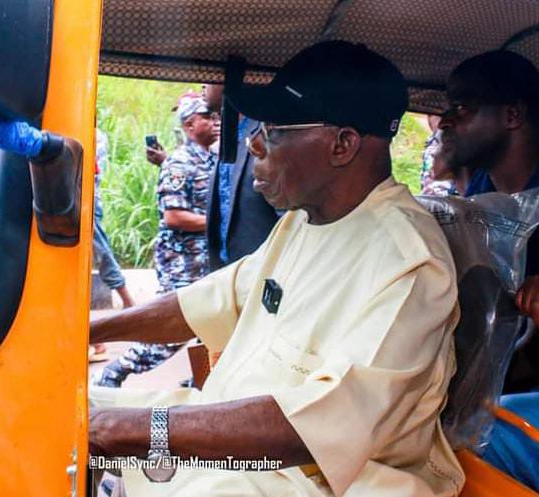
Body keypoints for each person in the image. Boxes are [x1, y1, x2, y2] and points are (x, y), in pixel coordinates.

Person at [89, 41, 464, 497]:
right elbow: (206, 302)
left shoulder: (410, 263)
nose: (255, 146)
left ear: (342, 144)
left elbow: (311, 426)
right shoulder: (302, 221)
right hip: (239, 443)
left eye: (275, 131)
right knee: (66, 407)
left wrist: (142, 431)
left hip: (323, 481)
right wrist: (87, 330)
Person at [437, 49, 539, 489]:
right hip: (493, 375)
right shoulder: (475, 197)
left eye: (461, 109)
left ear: (513, 115)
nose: (444, 122)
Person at [95, 92, 219, 387]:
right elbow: (173, 217)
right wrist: (219, 225)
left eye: (214, 116)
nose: (215, 122)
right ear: (189, 125)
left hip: (206, 261)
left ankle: (200, 383)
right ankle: (116, 372)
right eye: (206, 117)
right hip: (182, 262)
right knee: (173, 330)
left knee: (212, 326)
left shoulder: (212, 158)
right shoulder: (179, 162)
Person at [202, 84, 282, 271]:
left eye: (211, 76)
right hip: (228, 272)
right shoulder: (229, 132)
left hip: (263, 274)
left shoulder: (267, 131)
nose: (203, 85)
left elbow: (289, 218)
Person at [89, 128, 135, 362]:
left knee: (100, 252)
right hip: (79, 199)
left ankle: (127, 300)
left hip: (82, 200)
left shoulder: (93, 136)